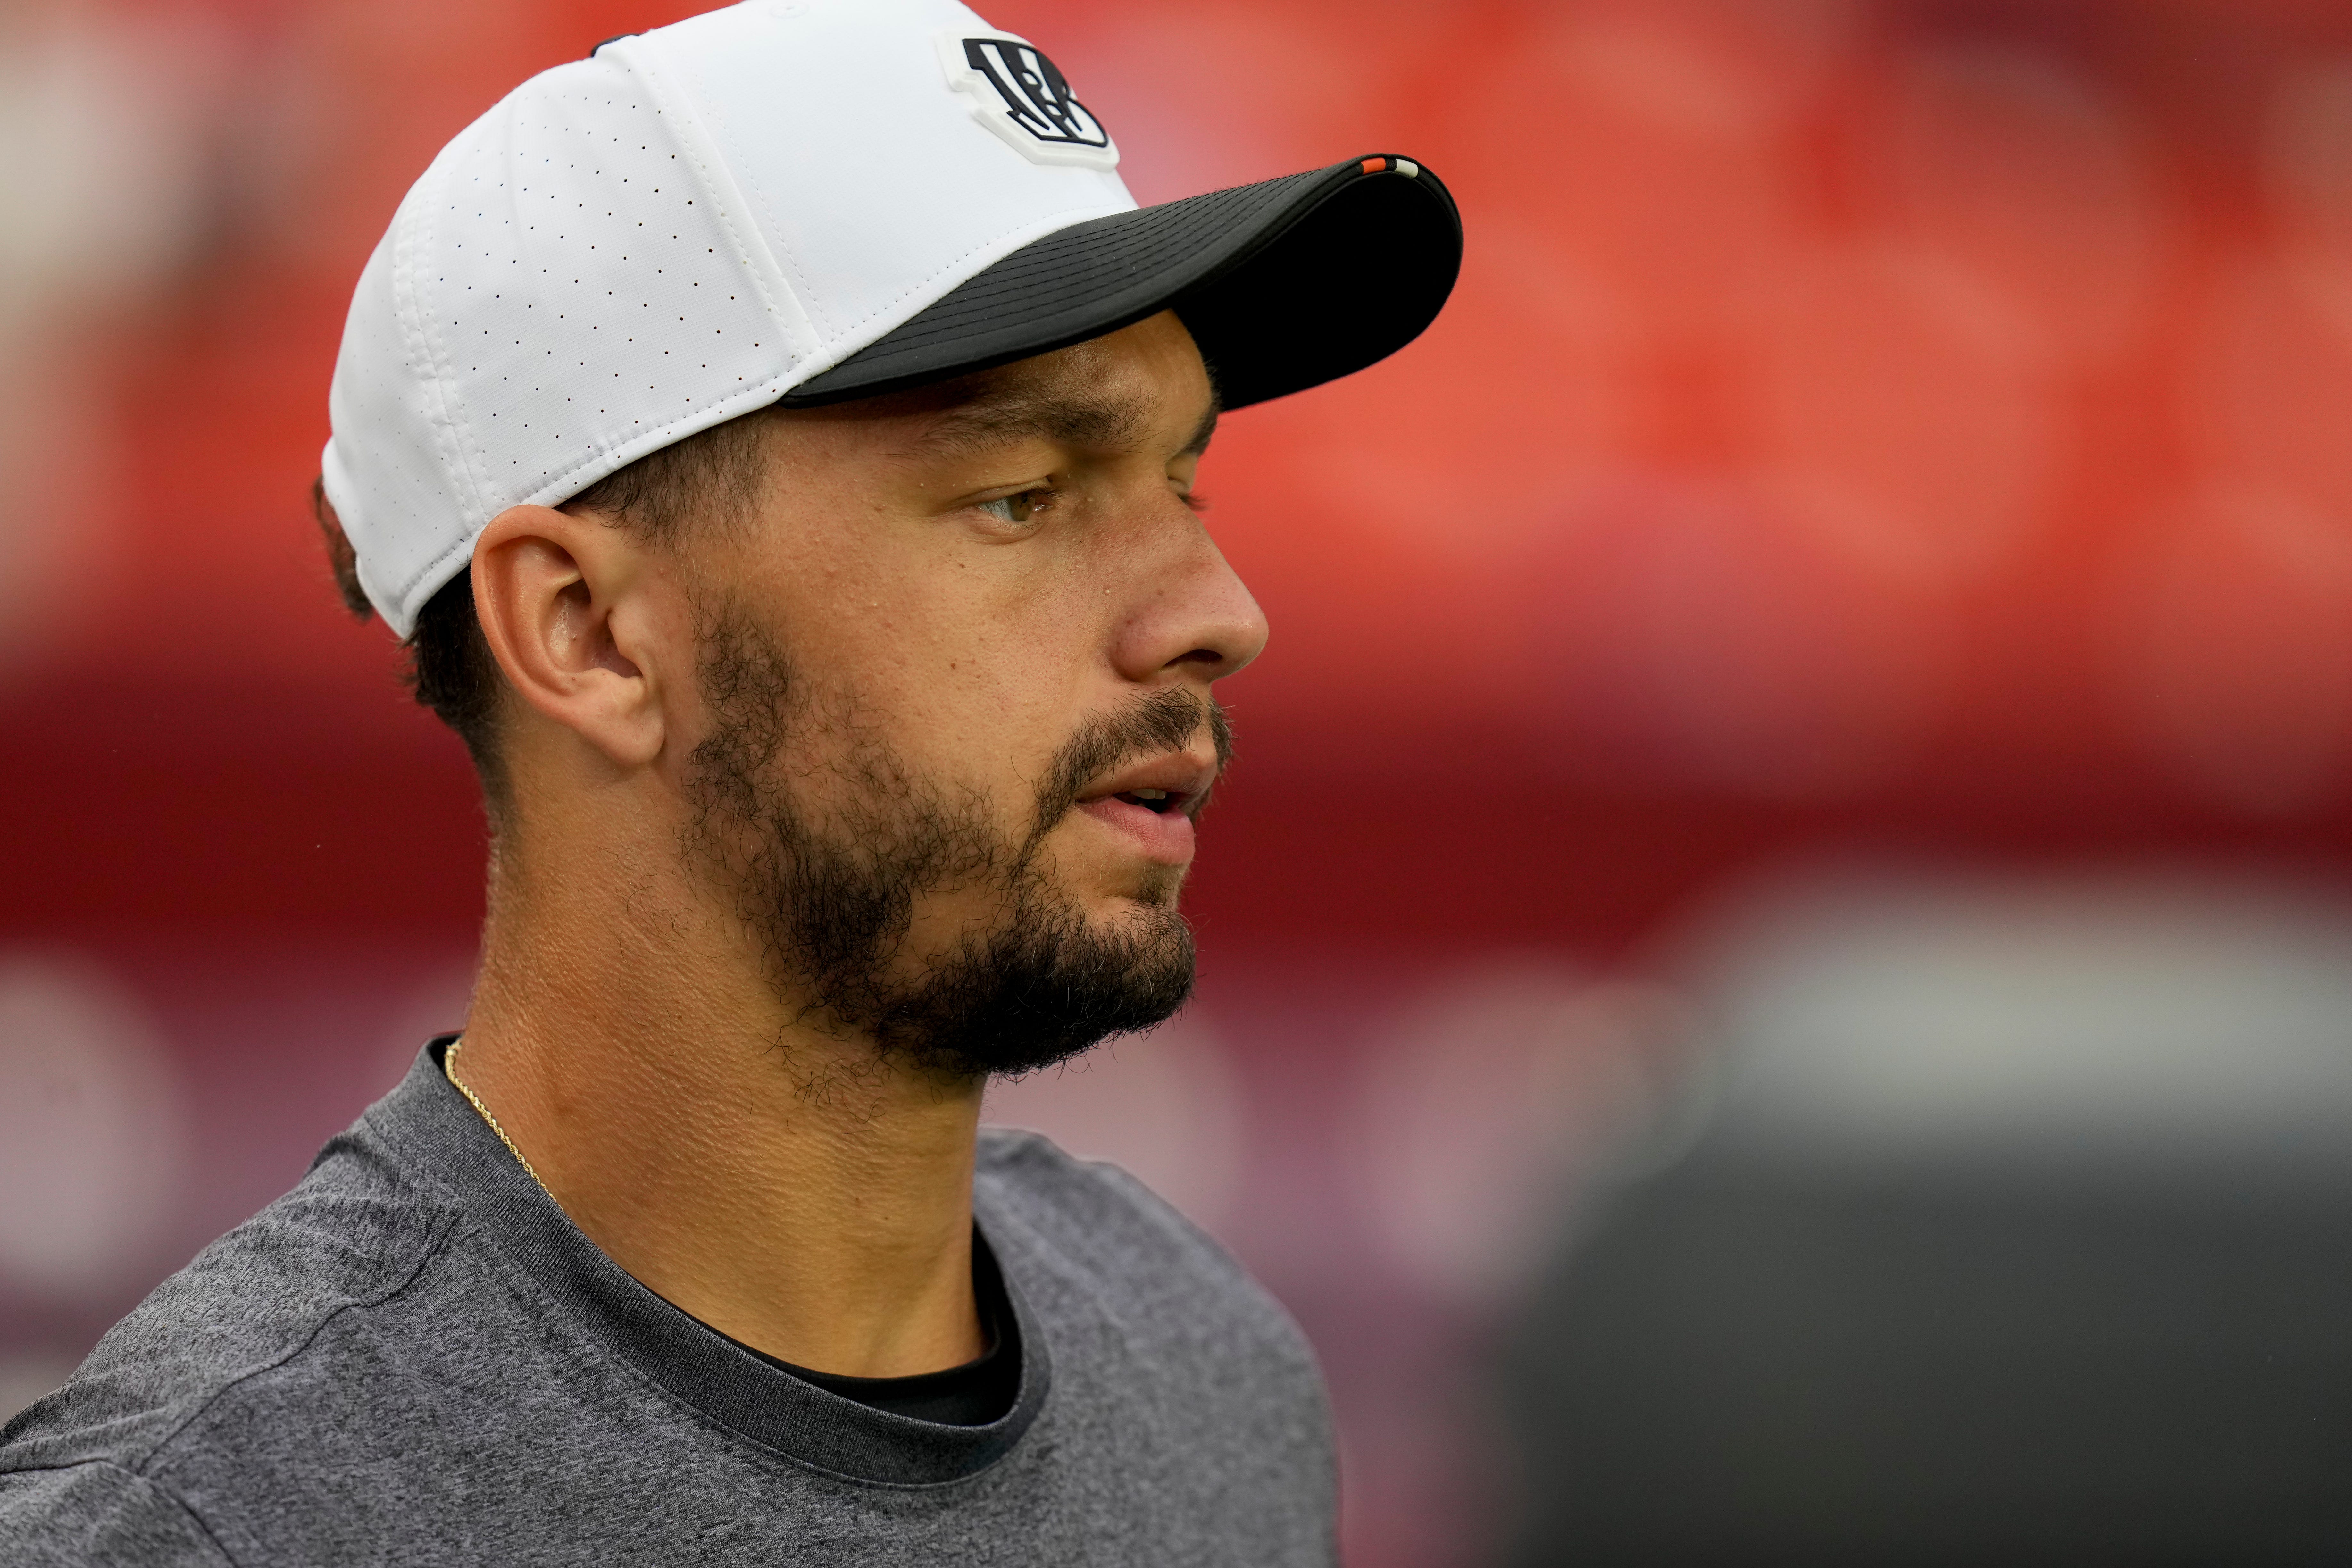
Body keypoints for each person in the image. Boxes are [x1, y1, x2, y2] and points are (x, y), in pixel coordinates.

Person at [0, 1, 1460, 1562]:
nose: (1218, 612)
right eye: (1022, 496)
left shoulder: (1204, 1374)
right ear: (592, 634)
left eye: (1180, 478)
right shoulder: (201, 1518)